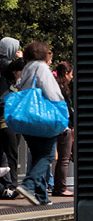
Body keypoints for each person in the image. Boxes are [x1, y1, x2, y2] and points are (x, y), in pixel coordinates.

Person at [15, 41, 65, 206]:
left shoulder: (27, 68)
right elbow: (52, 93)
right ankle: (28, 186)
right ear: (43, 54)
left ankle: (41, 196)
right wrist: (61, 114)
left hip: (27, 120)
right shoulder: (42, 68)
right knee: (48, 156)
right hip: (43, 119)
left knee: (38, 155)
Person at [0, 39, 23, 198]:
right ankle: (13, 185)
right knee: (11, 152)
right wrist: (21, 58)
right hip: (5, 115)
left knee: (4, 153)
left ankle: (6, 186)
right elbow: (18, 65)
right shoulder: (4, 63)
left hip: (8, 113)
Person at [51, 61, 74, 197]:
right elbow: (68, 110)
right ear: (66, 74)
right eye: (71, 74)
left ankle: (55, 186)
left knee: (51, 158)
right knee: (64, 159)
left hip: (54, 125)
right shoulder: (63, 89)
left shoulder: (53, 85)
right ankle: (61, 187)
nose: (72, 77)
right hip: (63, 126)